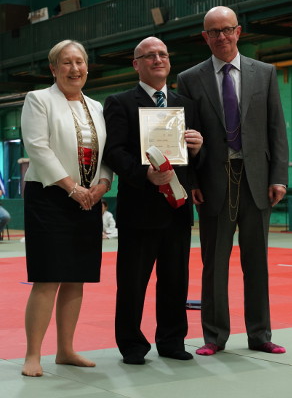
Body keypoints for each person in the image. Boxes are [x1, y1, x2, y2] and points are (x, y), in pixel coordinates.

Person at [177, 6, 289, 355]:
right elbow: (184, 136)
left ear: (238, 31)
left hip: (257, 180)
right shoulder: (190, 79)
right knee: (214, 265)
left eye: (227, 30)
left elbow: (276, 130)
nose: (222, 37)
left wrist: (280, 178)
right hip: (213, 181)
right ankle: (214, 336)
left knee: (256, 262)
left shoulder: (266, 73)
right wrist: (191, 180)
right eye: (214, 32)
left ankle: (260, 334)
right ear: (204, 37)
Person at [103, 36, 203, 364]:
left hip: (177, 206)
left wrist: (198, 148)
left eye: (162, 54)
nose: (157, 59)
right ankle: (132, 344)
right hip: (139, 208)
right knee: (132, 282)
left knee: (176, 279)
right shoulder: (119, 102)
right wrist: (144, 174)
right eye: (149, 56)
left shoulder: (185, 104)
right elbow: (114, 152)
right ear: (137, 64)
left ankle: (172, 341)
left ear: (169, 61)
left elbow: (196, 160)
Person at [20, 39, 112, 376]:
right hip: (50, 197)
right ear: (54, 68)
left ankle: (66, 349)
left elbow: (107, 152)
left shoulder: (98, 107)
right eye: (67, 63)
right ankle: (33, 355)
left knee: (77, 278)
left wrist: (103, 184)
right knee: (48, 277)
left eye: (80, 62)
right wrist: (71, 187)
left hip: (89, 198)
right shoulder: (39, 100)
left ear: (88, 66)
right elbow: (38, 148)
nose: (75, 69)